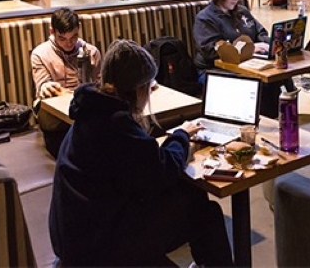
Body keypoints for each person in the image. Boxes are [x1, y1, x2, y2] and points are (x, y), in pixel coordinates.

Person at [49, 39, 233, 267]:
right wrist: (182, 136)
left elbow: (141, 168)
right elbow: (161, 172)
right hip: (98, 248)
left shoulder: (90, 110)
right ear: (139, 89)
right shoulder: (117, 124)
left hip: (76, 235)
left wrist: (171, 143)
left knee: (189, 194)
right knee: (206, 212)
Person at [193, 0, 293, 117]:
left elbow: (261, 33)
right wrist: (250, 49)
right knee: (261, 83)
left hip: (249, 63)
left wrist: (269, 44)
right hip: (215, 68)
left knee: (280, 75)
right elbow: (211, 51)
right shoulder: (205, 18)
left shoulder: (242, 11)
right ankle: (263, 122)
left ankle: (285, 117)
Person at [32, 8, 102, 157]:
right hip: (55, 118)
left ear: (79, 29)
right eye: (62, 38)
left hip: (86, 114)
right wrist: (45, 87)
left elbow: (100, 85)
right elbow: (42, 85)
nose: (69, 43)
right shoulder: (40, 54)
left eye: (74, 37)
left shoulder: (91, 52)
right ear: (52, 31)